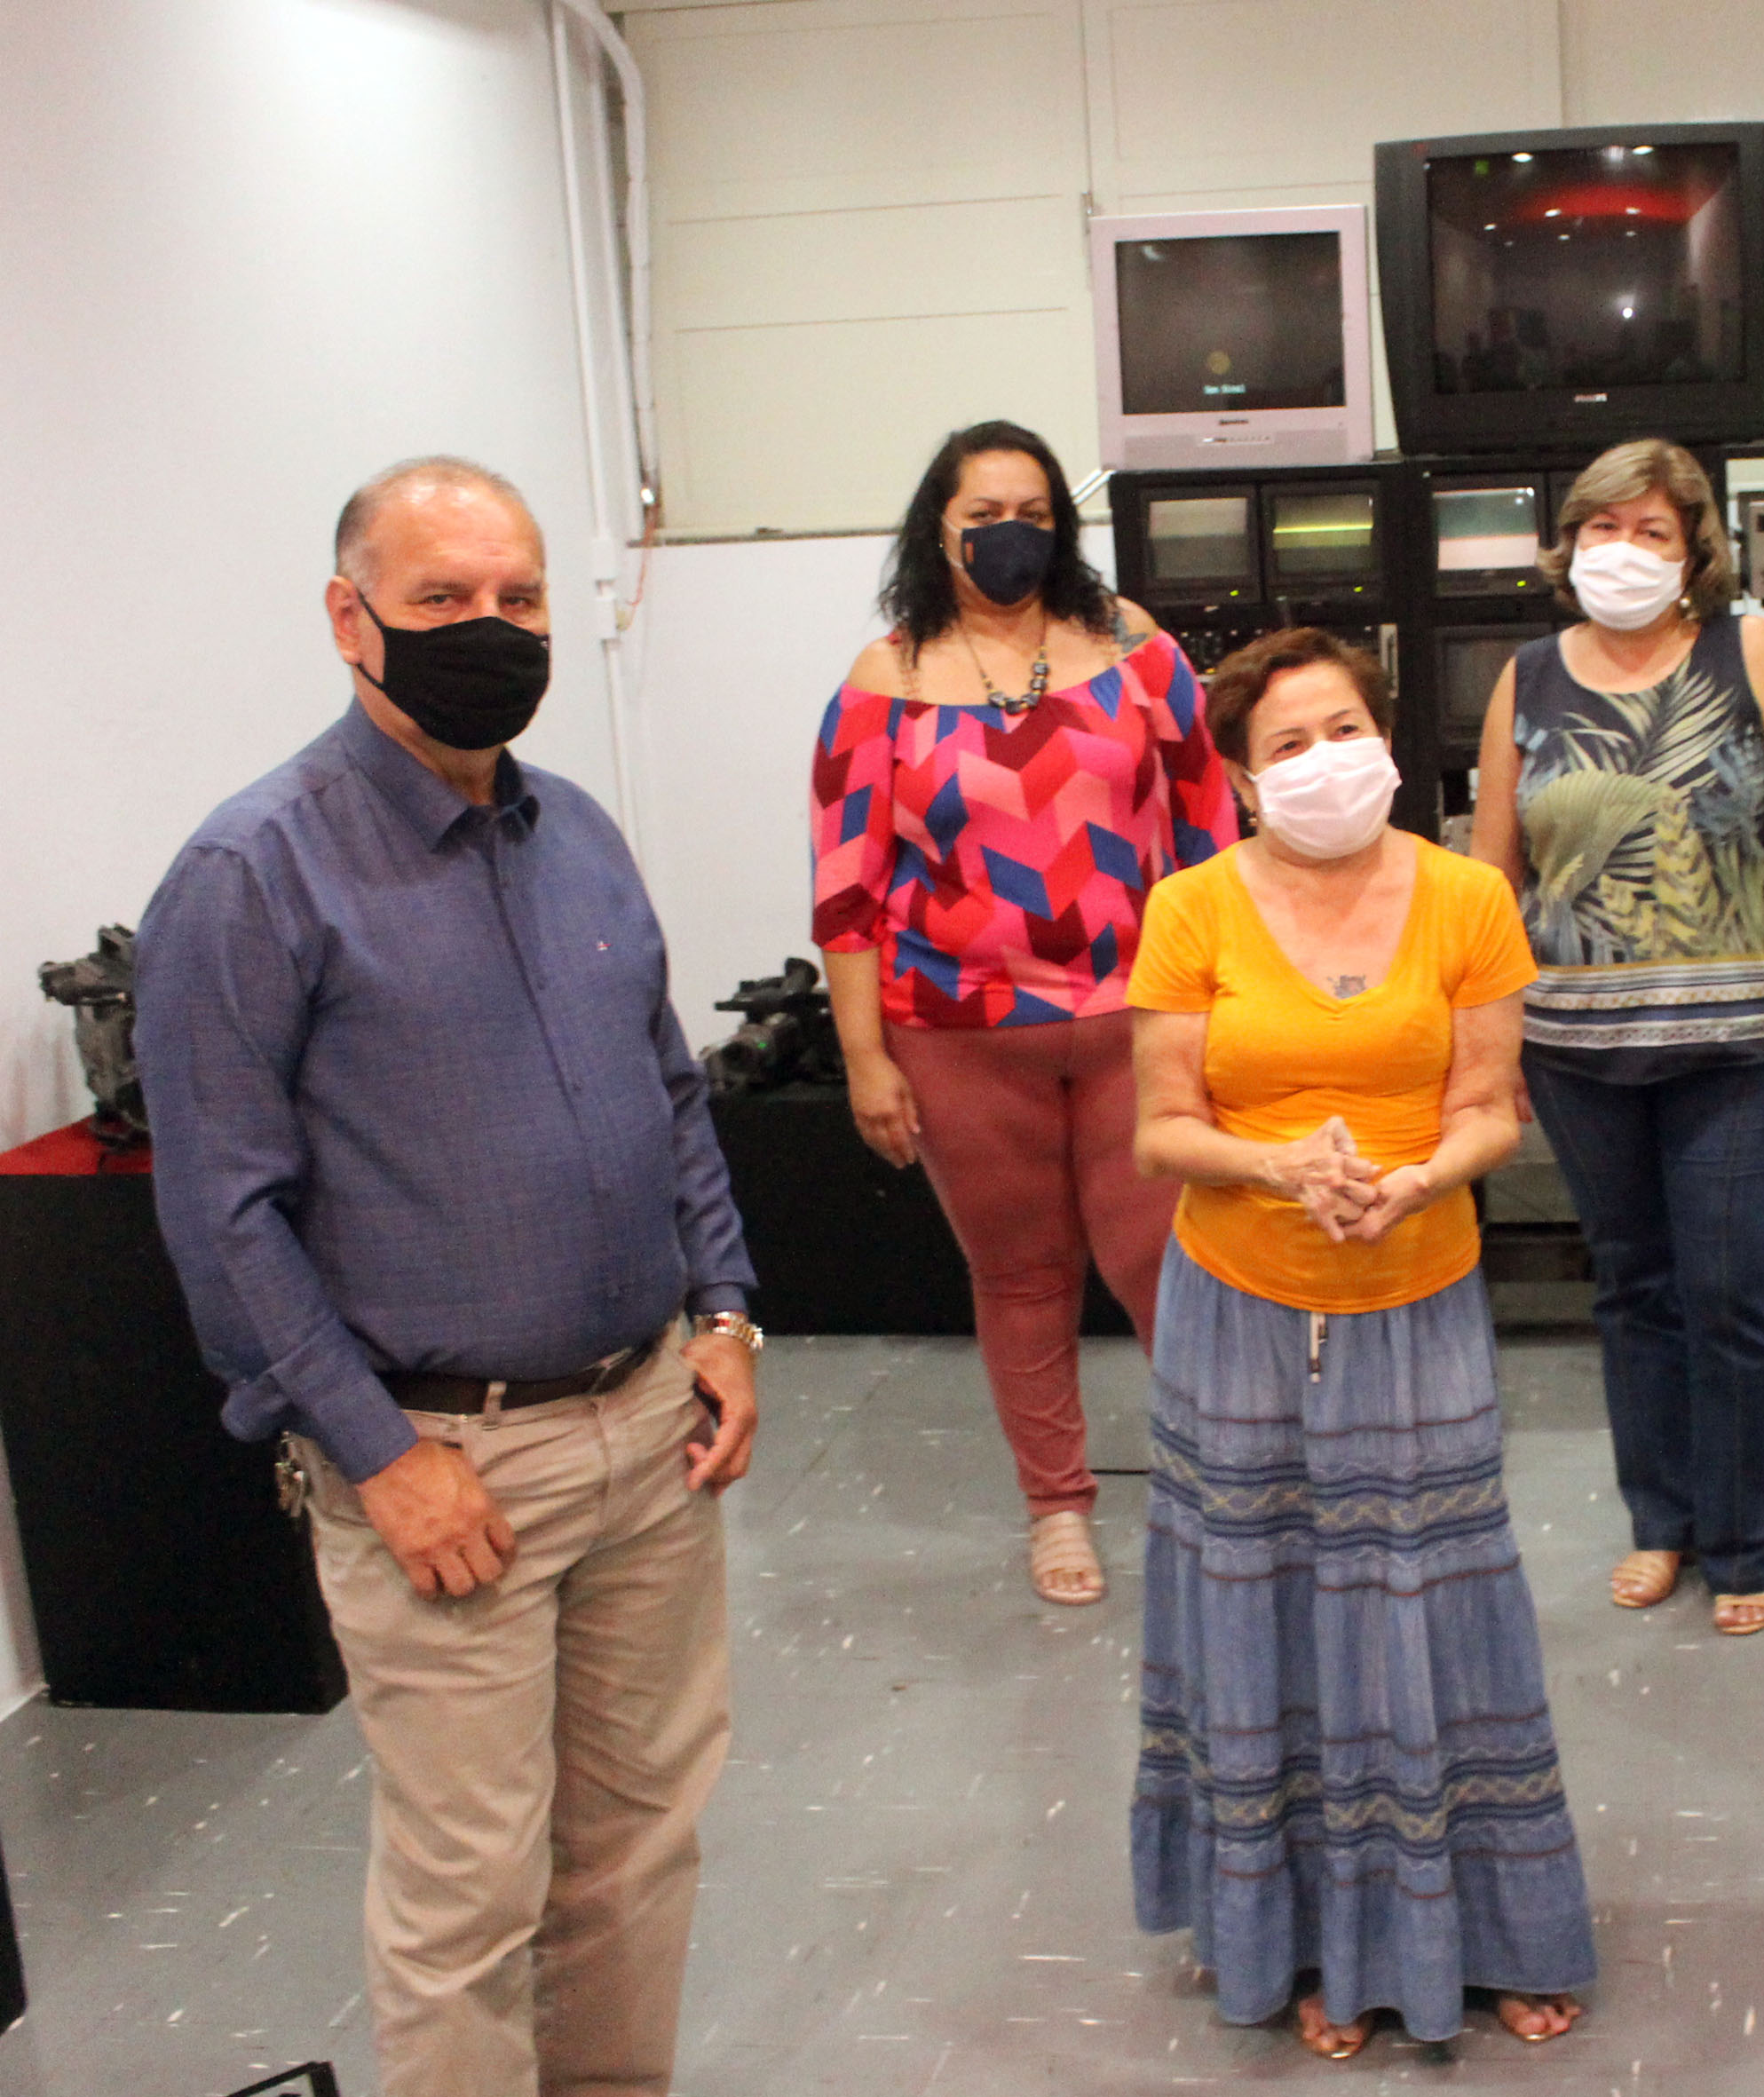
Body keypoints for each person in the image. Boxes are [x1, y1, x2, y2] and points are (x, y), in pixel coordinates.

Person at [138, 457, 761, 2097]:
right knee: (469, 1897)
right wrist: (375, 1453)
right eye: (442, 599)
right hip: (448, 1468)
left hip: (653, 1437)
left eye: (519, 596)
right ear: (350, 619)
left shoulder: (581, 837)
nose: (491, 626)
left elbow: (672, 1093)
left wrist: (725, 1311)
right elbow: (224, 1214)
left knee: (636, 1853)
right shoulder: (254, 873)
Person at [1126, 628, 1596, 2059]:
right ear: (1241, 779)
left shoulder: (1466, 897)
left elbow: (1491, 1104)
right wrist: (1278, 1165)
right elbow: (1161, 1129)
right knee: (1261, 1601)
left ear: (1386, 738)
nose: (1324, 760)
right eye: (1287, 744)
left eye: (1344, 729)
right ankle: (1303, 1937)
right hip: (1237, 1301)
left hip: (1417, 1288)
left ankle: (1488, 1931)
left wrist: (1420, 1178)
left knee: (1432, 1598)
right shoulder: (1190, 909)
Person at [811, 419, 1233, 1604]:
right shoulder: (883, 683)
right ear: (937, 529)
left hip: (1138, 1024)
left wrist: (1230, 1000)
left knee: (1169, 1268)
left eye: (1034, 514)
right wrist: (864, 1059)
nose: (1012, 535)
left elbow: (1209, 829)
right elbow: (845, 890)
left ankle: (1220, 1489)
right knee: (1023, 1279)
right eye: (985, 515)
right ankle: (1057, 1508)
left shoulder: (1136, 649)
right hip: (956, 1040)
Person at [1467, 437, 1764, 1639]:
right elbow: (1492, 872)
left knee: (1727, 1286)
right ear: (1568, 543)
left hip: (1742, 1044)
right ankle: (1663, 1520)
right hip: (1576, 1050)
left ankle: (1751, 1541)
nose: (1623, 549)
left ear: (1696, 553)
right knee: (1633, 1288)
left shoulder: (1752, 653)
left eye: (1652, 530)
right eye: (1603, 526)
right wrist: (1488, 1047)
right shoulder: (1528, 676)